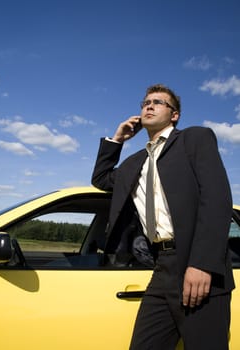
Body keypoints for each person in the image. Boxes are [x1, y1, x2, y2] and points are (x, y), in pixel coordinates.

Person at [91, 84, 235, 350]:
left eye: (158, 102)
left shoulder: (194, 139)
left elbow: (217, 200)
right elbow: (100, 179)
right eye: (145, 102)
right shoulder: (135, 163)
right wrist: (117, 140)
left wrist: (202, 264)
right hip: (162, 267)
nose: (149, 105)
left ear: (174, 115)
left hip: (198, 263)